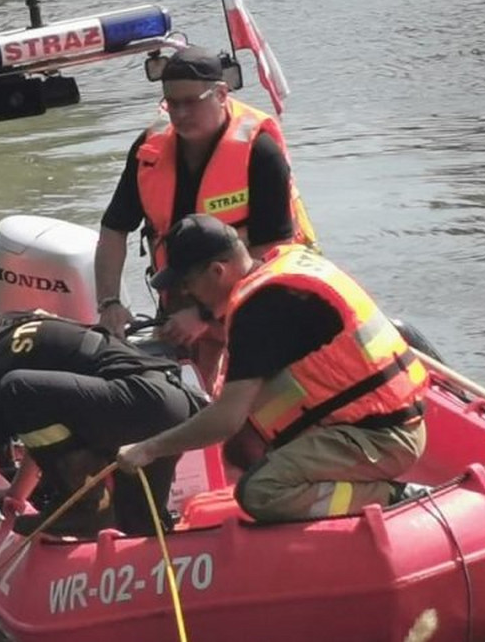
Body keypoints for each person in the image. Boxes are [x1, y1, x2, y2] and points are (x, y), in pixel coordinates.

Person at [0, 315, 203, 628]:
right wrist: (16, 494)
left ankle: (88, 506)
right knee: (139, 529)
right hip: (164, 402)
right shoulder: (1, 342)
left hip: (134, 407)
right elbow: (46, 427)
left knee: (16, 390)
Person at [116, 214, 429, 522]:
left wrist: (150, 449)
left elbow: (226, 419)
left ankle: (392, 497)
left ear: (217, 271)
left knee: (260, 491)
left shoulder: (259, 309)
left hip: (381, 438)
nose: (185, 294)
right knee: (240, 449)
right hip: (383, 421)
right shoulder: (278, 270)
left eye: (187, 283)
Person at [93, 46, 318, 384]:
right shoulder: (149, 151)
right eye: (172, 103)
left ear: (221, 94)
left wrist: (205, 314)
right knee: (175, 395)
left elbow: (275, 252)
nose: (180, 113)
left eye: (191, 101)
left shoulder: (260, 152)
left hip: (257, 297)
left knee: (253, 402)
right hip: (180, 300)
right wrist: (109, 302)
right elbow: (113, 230)